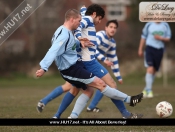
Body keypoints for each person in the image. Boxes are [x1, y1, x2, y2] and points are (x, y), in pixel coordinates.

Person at [36, 4, 142, 119]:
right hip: (83, 63)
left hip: (77, 63)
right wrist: (43, 67)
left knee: (81, 90)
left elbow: (74, 36)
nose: (99, 22)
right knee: (108, 84)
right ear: (94, 14)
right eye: (100, 19)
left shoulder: (67, 29)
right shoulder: (81, 24)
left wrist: (80, 41)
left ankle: (61, 116)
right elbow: (55, 49)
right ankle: (127, 107)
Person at [138, 22, 171, 98]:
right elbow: (143, 37)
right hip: (149, 48)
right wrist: (140, 49)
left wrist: (161, 38)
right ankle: (149, 91)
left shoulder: (165, 25)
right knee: (150, 68)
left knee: (154, 71)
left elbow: (168, 38)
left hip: (160, 50)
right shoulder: (149, 24)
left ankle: (146, 89)